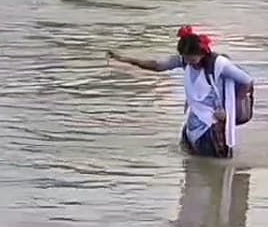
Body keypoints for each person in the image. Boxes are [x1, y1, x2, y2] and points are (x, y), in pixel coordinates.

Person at [108, 26, 254, 159]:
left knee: (213, 163)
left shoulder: (219, 65)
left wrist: (229, 112)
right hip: (195, 119)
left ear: (202, 53)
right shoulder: (184, 61)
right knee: (193, 168)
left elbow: (246, 81)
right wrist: (128, 60)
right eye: (185, 58)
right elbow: (157, 66)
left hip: (213, 124)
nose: (189, 62)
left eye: (192, 58)